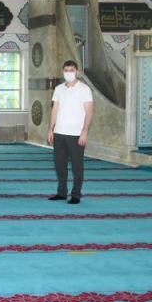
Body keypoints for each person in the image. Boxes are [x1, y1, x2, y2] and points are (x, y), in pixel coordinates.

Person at [47, 61, 94, 205]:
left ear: (77, 72)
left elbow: (89, 112)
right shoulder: (59, 89)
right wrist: (50, 129)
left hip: (76, 134)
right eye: (66, 70)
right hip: (59, 133)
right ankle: (61, 193)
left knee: (77, 167)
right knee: (60, 166)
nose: (69, 73)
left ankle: (76, 195)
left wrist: (84, 132)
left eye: (71, 70)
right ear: (63, 72)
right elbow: (54, 110)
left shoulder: (84, 89)